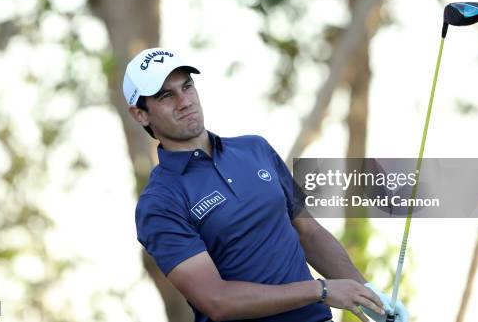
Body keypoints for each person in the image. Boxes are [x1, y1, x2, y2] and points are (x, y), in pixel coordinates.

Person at [124, 48, 408, 322]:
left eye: (187, 86)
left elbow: (308, 232)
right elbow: (217, 301)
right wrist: (320, 290)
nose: (184, 101)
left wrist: (369, 295)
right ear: (140, 114)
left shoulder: (255, 149)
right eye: (166, 96)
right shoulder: (159, 202)